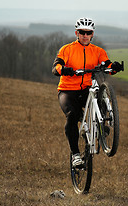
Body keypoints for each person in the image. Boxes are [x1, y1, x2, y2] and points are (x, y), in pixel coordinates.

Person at [52, 17, 123, 168]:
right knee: (72, 116)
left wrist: (114, 66)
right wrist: (64, 69)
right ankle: (75, 155)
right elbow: (56, 66)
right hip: (67, 91)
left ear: (92, 34)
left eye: (88, 32)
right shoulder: (67, 49)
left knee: (99, 97)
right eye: (82, 32)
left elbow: (106, 63)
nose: (85, 35)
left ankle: (101, 124)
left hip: (86, 89)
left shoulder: (97, 51)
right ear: (76, 33)